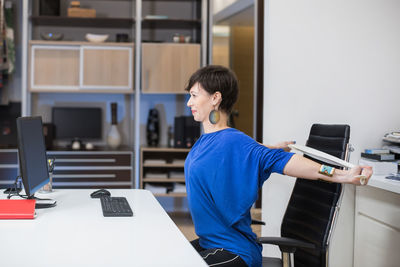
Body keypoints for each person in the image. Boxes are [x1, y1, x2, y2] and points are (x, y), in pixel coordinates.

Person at [184, 65, 373, 267]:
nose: (189, 102)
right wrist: (272, 147)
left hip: (233, 250)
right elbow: (228, 152)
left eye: (194, 96)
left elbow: (290, 163)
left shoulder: (237, 143)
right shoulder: (212, 141)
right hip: (209, 244)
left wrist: (341, 175)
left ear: (215, 98)